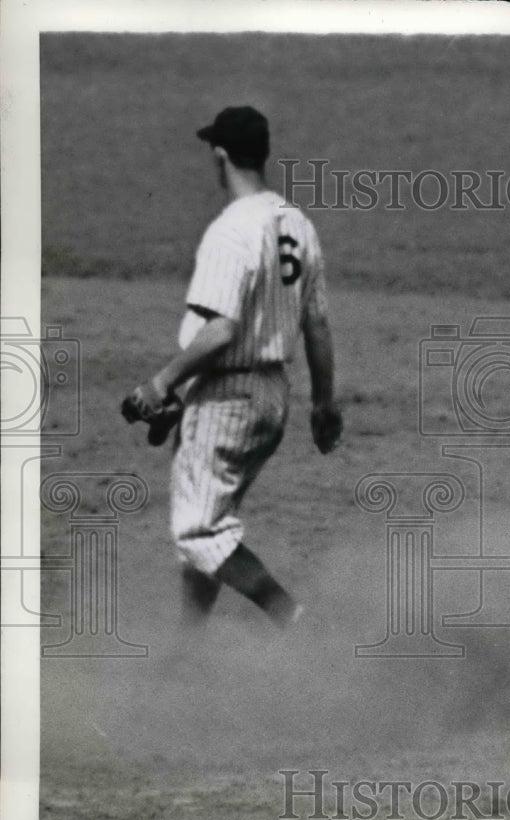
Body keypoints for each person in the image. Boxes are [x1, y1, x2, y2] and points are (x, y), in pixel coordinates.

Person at [123, 106, 341, 632]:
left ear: (220, 156)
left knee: (199, 532)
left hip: (227, 398)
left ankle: (294, 619)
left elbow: (220, 331)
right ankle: (187, 653)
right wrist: (323, 402)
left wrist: (160, 383)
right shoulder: (298, 224)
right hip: (271, 397)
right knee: (206, 527)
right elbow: (317, 326)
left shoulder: (231, 230)